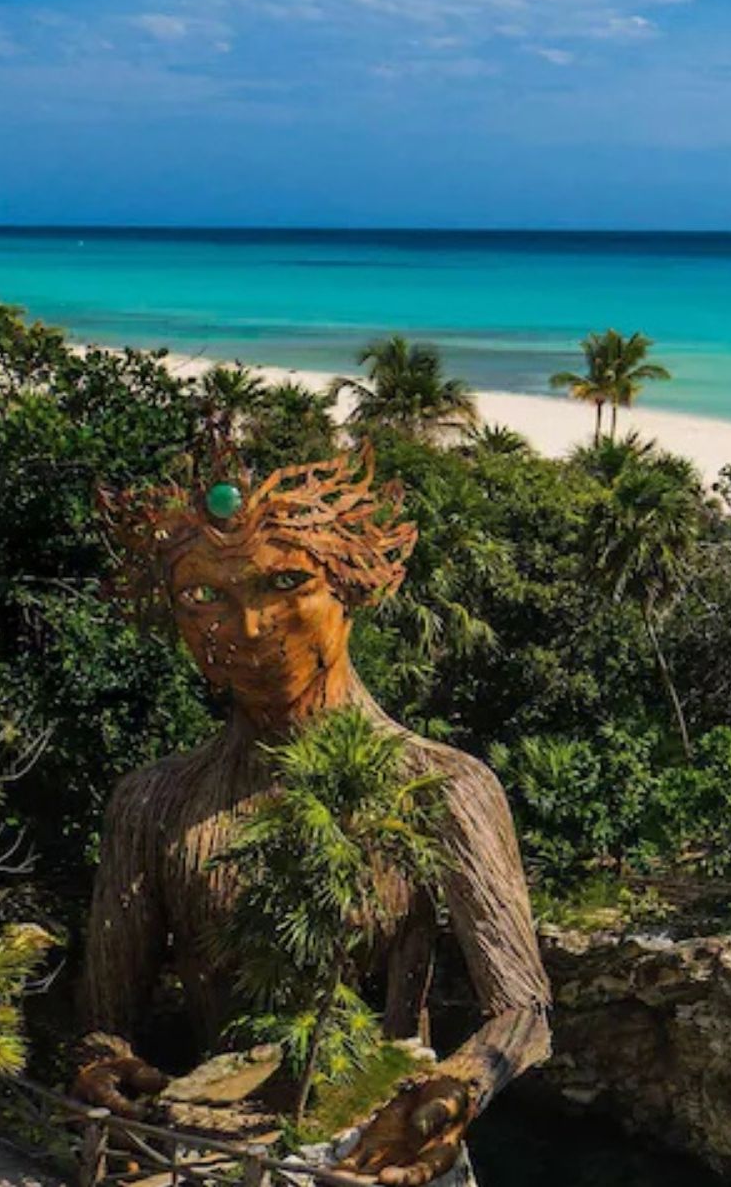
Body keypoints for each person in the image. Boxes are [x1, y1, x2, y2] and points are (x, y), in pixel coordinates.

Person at [69, 448, 550, 1185]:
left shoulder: (443, 787)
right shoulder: (154, 802)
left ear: (348, 591)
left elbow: (523, 1011)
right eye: (203, 598)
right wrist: (104, 1063)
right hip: (216, 1148)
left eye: (287, 583)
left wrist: (457, 1089)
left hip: (374, 1152)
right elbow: (106, 1011)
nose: (252, 625)